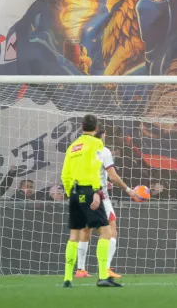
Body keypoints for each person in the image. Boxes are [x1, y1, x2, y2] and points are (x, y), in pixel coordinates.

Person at [60, 114, 121, 288]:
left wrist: (70, 192)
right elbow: (95, 169)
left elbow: (65, 174)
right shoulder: (96, 144)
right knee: (106, 233)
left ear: (81, 127)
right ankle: (103, 276)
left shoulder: (72, 147)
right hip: (89, 191)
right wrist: (95, 191)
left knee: (74, 236)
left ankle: (67, 279)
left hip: (74, 193)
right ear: (96, 128)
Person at [75, 129, 136, 279]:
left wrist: (103, 181)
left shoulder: (79, 150)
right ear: (101, 135)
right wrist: (129, 190)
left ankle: (80, 270)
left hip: (81, 194)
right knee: (111, 231)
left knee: (86, 230)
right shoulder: (103, 151)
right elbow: (114, 177)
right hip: (99, 196)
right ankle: (106, 268)